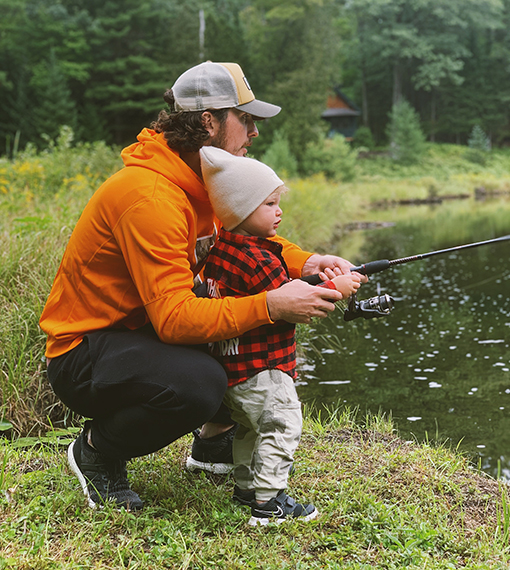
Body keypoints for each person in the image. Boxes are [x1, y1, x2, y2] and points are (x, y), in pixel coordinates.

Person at [39, 61, 363, 511]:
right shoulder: (150, 196)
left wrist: (306, 261)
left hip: (137, 335)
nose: (254, 132)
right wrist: (271, 304)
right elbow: (173, 319)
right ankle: (96, 451)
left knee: (234, 324)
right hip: (85, 352)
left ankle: (213, 443)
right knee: (200, 383)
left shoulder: (201, 178)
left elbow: (240, 237)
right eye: (245, 119)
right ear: (209, 121)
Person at [199, 146, 361, 525]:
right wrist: (338, 287)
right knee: (283, 422)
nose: (279, 211)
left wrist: (314, 273)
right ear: (240, 209)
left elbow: (281, 286)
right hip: (264, 368)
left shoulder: (224, 251)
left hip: (234, 369)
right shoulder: (259, 259)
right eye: (269, 204)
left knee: (251, 427)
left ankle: (246, 488)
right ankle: (270, 502)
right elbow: (289, 304)